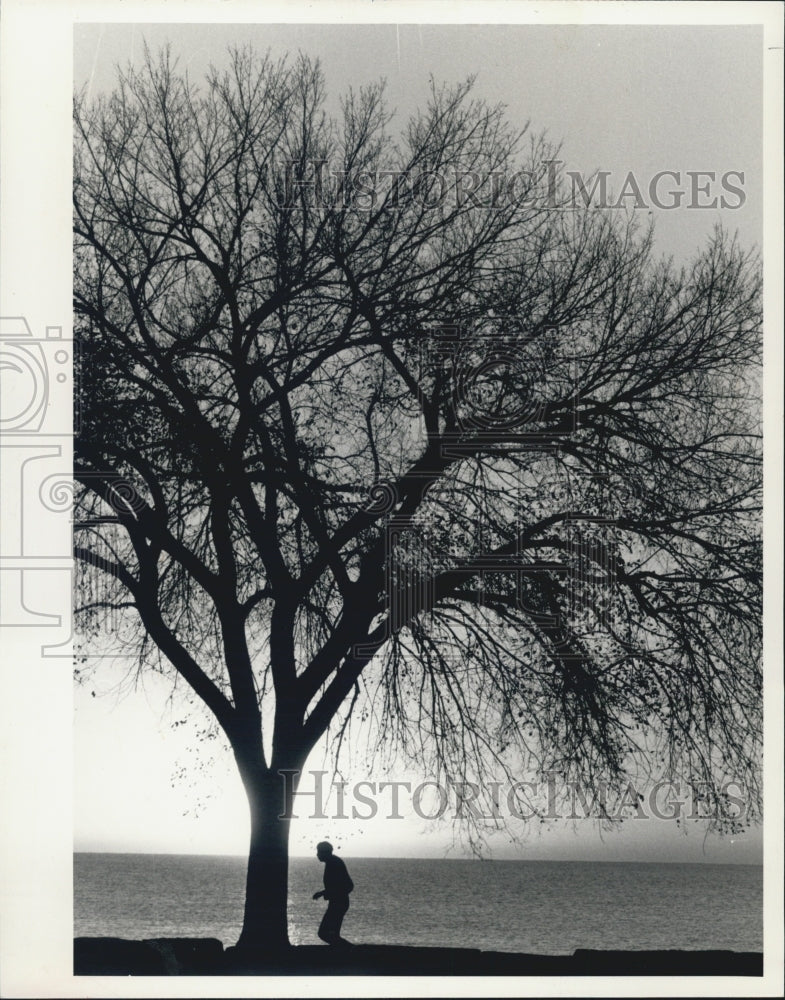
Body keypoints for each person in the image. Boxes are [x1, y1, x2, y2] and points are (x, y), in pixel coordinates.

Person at [312, 841, 354, 946]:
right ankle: (345, 952)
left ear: (325, 852)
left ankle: (352, 950)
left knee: (324, 933)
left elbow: (347, 885)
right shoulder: (333, 862)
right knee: (332, 934)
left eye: (319, 852)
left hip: (338, 903)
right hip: (338, 903)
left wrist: (323, 893)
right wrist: (324, 893)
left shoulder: (334, 863)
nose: (317, 854)